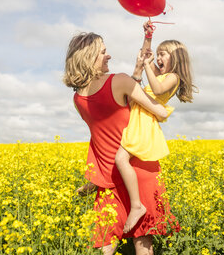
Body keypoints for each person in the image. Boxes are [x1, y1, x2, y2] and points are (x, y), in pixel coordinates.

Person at [63, 31, 179, 255]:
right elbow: (158, 111)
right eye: (103, 52)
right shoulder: (120, 81)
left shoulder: (78, 99)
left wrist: (94, 180)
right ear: (89, 57)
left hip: (107, 174)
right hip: (138, 168)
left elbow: (101, 135)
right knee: (142, 240)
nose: (108, 56)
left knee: (107, 241)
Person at [116, 21, 196, 233]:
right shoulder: (159, 73)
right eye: (158, 54)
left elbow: (157, 89)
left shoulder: (172, 77)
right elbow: (144, 55)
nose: (158, 58)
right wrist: (148, 37)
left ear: (176, 58)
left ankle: (136, 206)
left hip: (144, 123)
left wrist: (148, 67)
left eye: (163, 54)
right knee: (116, 156)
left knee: (121, 158)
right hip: (136, 117)